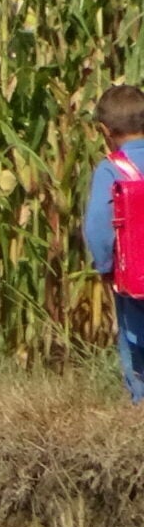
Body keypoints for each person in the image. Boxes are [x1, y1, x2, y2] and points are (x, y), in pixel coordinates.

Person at [83, 84, 144, 401]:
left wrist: (105, 267)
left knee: (136, 348)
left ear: (105, 131)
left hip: (134, 278)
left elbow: (98, 228)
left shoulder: (112, 169)